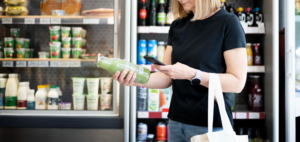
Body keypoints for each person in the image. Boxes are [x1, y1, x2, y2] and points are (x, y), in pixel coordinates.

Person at [113, 0, 247, 141]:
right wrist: (133, 77)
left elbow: (237, 83)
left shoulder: (228, 23)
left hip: (211, 126)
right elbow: (165, 77)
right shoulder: (178, 25)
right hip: (176, 123)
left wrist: (193, 74)